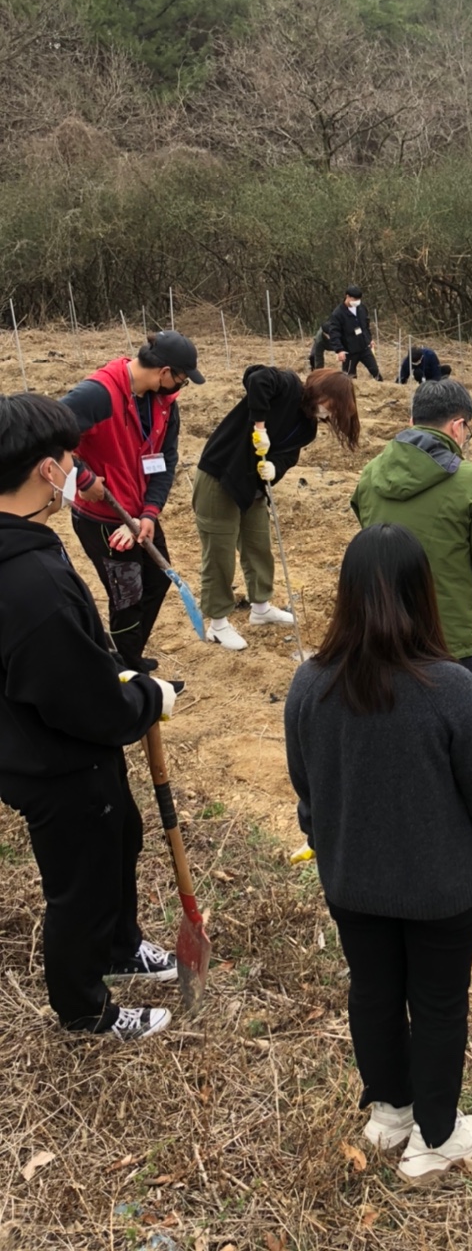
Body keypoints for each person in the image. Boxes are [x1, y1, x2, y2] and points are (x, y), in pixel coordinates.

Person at [284, 524, 472, 1182]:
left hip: (352, 881)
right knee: (437, 1003)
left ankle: (390, 1112)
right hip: (443, 890)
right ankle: (436, 1134)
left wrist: (321, 837)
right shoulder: (449, 687)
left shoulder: (309, 684)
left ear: (345, 594)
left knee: (372, 990)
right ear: (422, 593)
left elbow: (307, 783)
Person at [0, 393, 180, 1040]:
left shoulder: (22, 543)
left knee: (121, 834)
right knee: (81, 881)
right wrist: (147, 700)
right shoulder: (30, 585)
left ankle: (121, 945)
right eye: (71, 460)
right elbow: (85, 705)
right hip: (53, 760)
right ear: (47, 470)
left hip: (50, 742)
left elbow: (71, 661)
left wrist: (113, 669)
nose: (78, 471)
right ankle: (84, 1008)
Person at [61, 330, 204, 674]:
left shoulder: (164, 404)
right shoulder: (98, 394)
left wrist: (149, 514)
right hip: (101, 516)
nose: (180, 386)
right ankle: (128, 674)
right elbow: (46, 435)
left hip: (139, 511)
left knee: (157, 579)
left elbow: (165, 460)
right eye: (181, 379)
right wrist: (82, 478)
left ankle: (128, 657)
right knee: (127, 598)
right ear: (164, 372)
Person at [351, 379, 472, 691]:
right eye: (468, 431)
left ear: (411, 421)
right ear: (457, 426)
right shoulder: (469, 480)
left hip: (379, 632)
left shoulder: (370, 473)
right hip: (446, 640)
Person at [194, 367, 361, 650]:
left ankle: (261, 607)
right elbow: (255, 378)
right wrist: (259, 427)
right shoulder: (287, 386)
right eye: (330, 405)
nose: (327, 414)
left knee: (258, 545)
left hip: (252, 486)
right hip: (220, 474)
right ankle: (218, 623)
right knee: (220, 551)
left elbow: (288, 457)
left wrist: (275, 467)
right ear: (320, 392)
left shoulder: (307, 429)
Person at [327, 287, 383, 381]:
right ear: (347, 296)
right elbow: (334, 333)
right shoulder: (338, 314)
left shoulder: (361, 308)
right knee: (349, 377)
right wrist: (339, 350)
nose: (357, 301)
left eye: (358, 299)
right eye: (354, 299)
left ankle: (381, 385)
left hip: (364, 347)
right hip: (349, 351)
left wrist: (369, 339)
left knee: (375, 370)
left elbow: (365, 325)